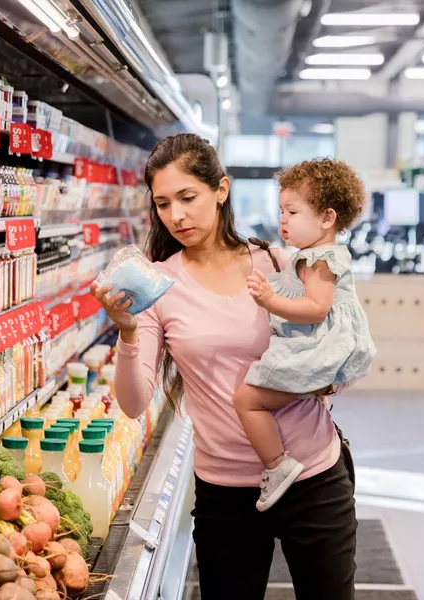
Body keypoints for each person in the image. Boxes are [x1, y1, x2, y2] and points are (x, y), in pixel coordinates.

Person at [91, 134, 357, 600]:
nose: (176, 215)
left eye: (188, 198)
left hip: (312, 474)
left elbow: (332, 337)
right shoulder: (158, 286)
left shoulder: (276, 261)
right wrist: (128, 331)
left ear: (222, 189)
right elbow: (133, 404)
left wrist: (328, 377)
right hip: (226, 492)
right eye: (163, 203)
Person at [234, 159, 375, 511]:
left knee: (247, 400)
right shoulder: (310, 255)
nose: (282, 219)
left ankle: (277, 464)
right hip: (319, 346)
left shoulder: (321, 260)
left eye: (292, 211)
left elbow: (316, 308)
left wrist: (270, 299)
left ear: (327, 218)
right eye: (281, 210)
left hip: (319, 348)